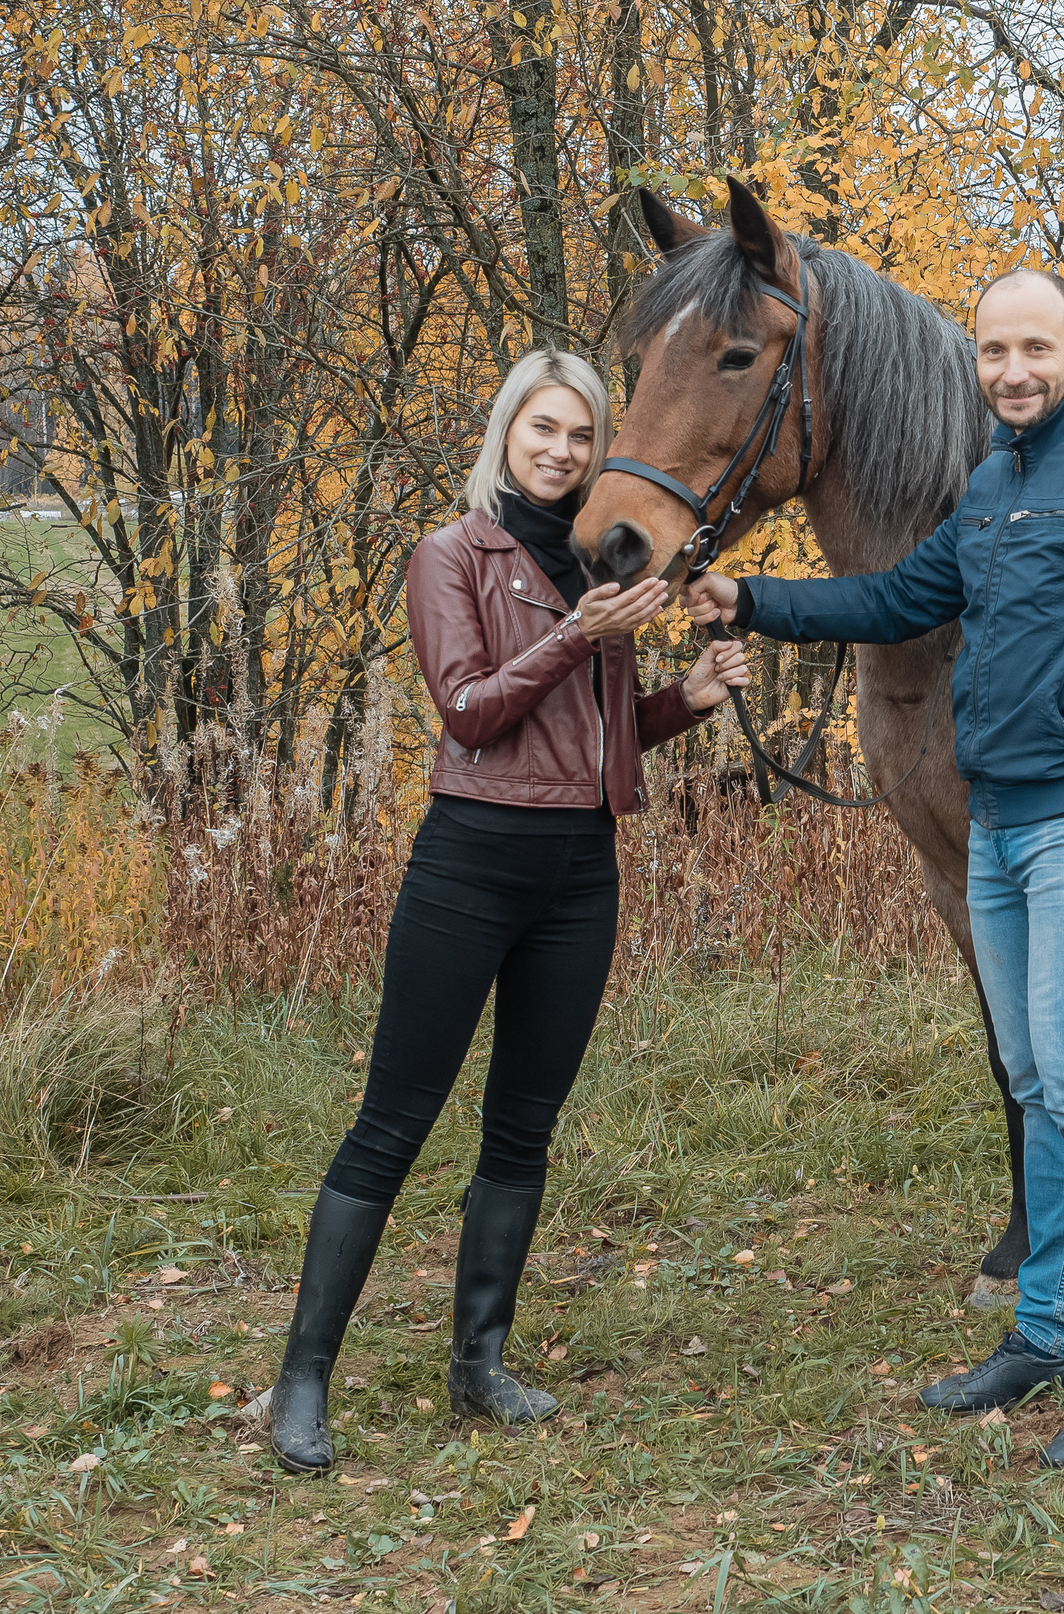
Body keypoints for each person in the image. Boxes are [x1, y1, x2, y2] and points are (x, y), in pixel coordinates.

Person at [687, 269, 1064, 1469]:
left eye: (1036, 347)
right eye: (992, 351)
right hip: (1002, 825)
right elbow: (899, 596)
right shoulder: (991, 483)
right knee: (1032, 1073)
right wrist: (750, 597)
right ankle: (1048, 1336)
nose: (1012, 370)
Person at [267, 348, 749, 1475]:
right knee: (391, 1126)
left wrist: (686, 698)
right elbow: (472, 714)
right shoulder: (454, 552)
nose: (562, 451)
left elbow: (597, 734)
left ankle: (478, 1366)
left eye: (581, 434)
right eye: (543, 429)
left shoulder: (604, 560)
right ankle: (301, 1381)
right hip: (470, 864)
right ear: (506, 434)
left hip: (581, 872)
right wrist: (576, 635)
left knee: (521, 1129)